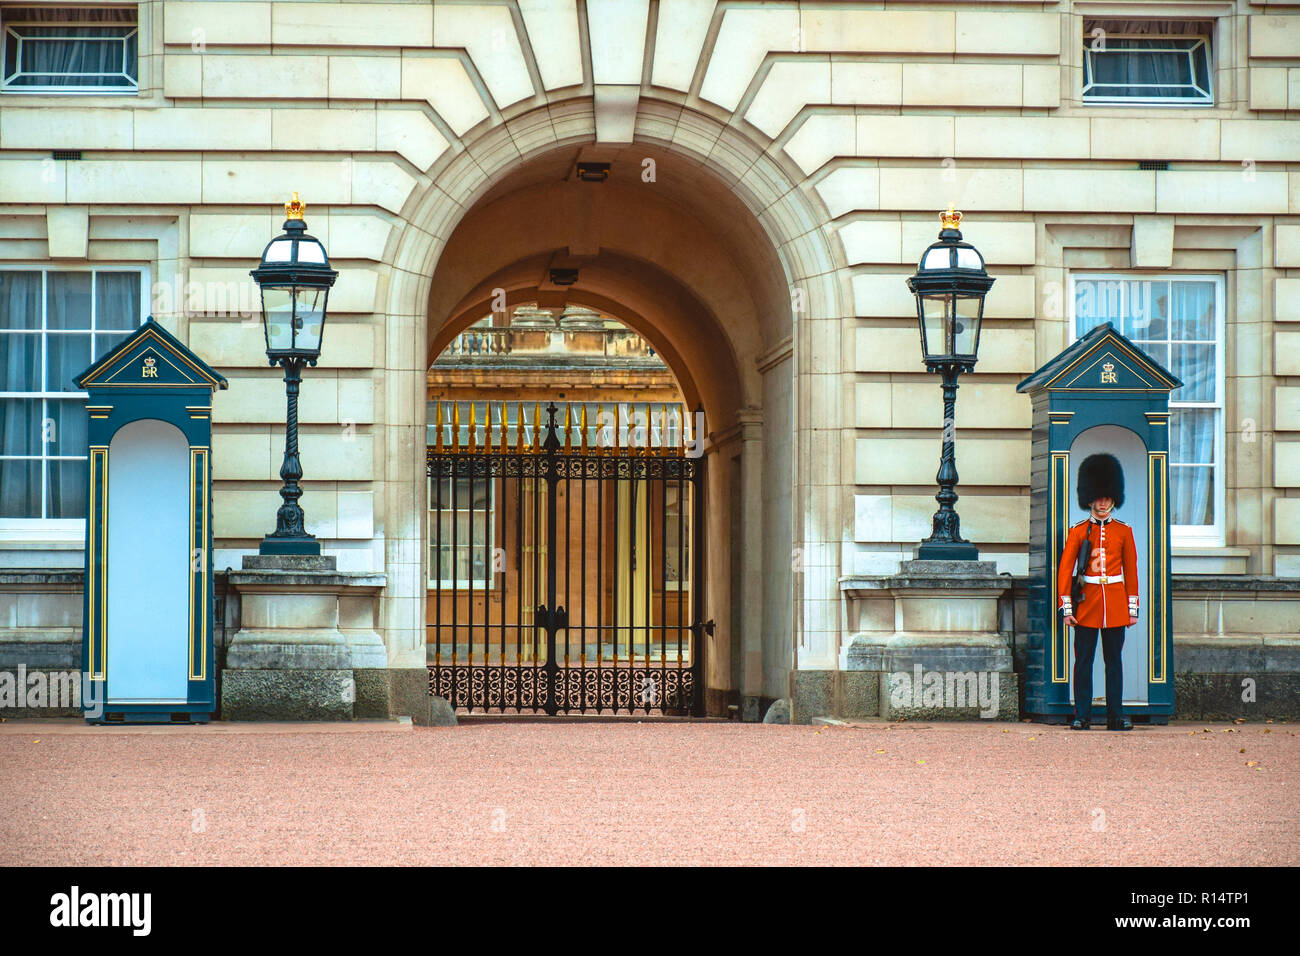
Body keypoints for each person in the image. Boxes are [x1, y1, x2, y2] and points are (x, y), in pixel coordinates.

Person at [1056, 453, 1138, 731]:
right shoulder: (1078, 531)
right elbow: (1065, 571)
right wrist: (1066, 607)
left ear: (1114, 499)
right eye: (1098, 496)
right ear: (1090, 498)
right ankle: (1083, 715)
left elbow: (1131, 571)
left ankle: (1116, 715)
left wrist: (1132, 607)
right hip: (1087, 602)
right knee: (1084, 663)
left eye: (1107, 496)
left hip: (1115, 602)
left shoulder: (1124, 532)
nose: (1103, 501)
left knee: (1114, 663)